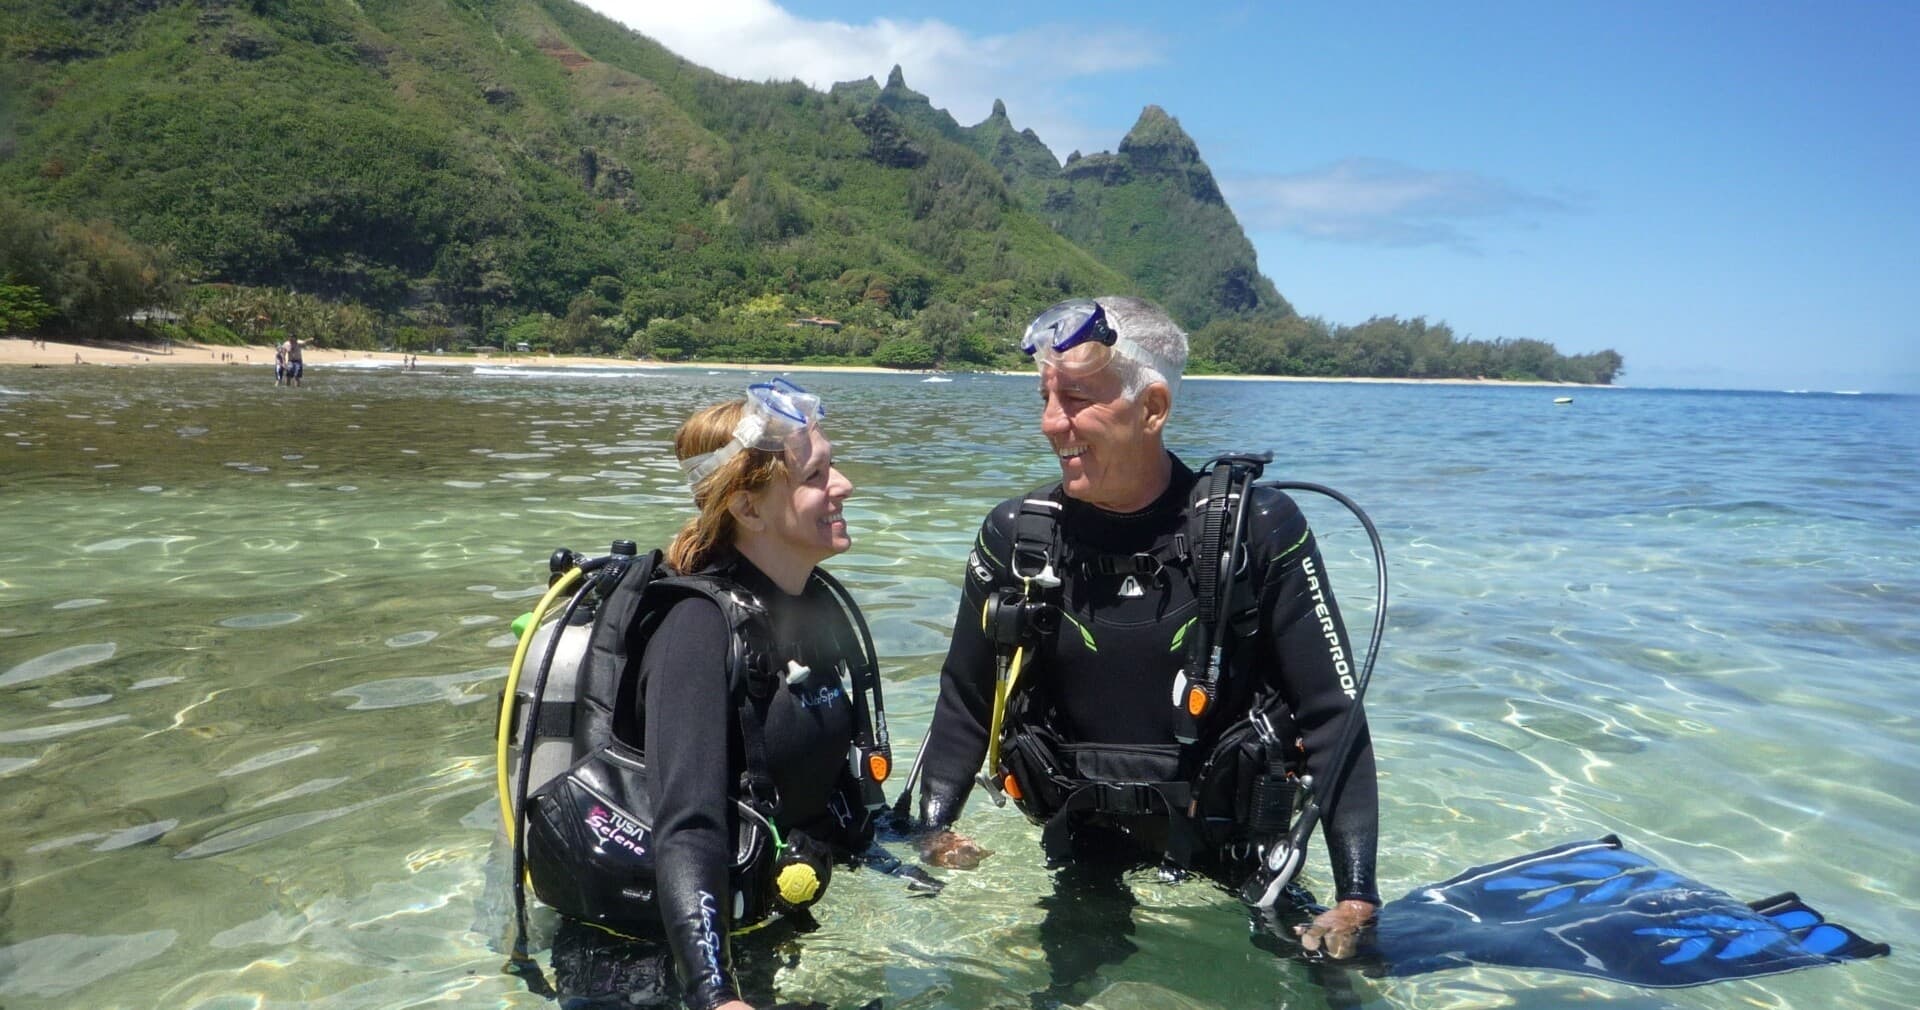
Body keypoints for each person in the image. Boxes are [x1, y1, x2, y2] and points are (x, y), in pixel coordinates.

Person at [907, 296, 1381, 979]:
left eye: (1075, 399)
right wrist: (932, 831)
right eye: (1045, 398)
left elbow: (1334, 716)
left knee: (1332, 983)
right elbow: (964, 698)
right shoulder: (1017, 538)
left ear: (1152, 408)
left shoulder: (1255, 532)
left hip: (1237, 850)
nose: (1051, 423)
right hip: (1083, 842)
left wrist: (1357, 898)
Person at [528, 380, 885, 1010]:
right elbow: (689, 823)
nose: (844, 485)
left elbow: (824, 790)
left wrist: (909, 846)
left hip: (758, 921)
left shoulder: (813, 609)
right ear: (748, 508)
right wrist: (714, 994)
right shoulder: (694, 630)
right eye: (816, 476)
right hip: (646, 956)